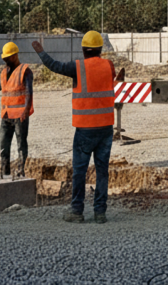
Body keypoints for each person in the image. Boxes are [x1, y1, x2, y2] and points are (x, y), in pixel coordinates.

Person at [32, 31, 115, 224]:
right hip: (105, 128)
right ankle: (100, 213)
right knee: (102, 171)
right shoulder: (109, 65)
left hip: (85, 129)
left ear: (84, 50)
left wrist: (41, 52)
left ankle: (77, 211)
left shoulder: (78, 67)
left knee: (79, 171)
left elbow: (54, 66)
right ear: (100, 49)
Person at [0, 41, 34, 176]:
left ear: (15, 56)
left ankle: (21, 171)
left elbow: (29, 92)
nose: (5, 61)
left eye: (7, 58)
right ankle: (5, 172)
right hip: (6, 115)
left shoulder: (25, 71)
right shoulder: (4, 72)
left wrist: (26, 111)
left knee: (21, 145)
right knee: (4, 146)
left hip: (20, 115)